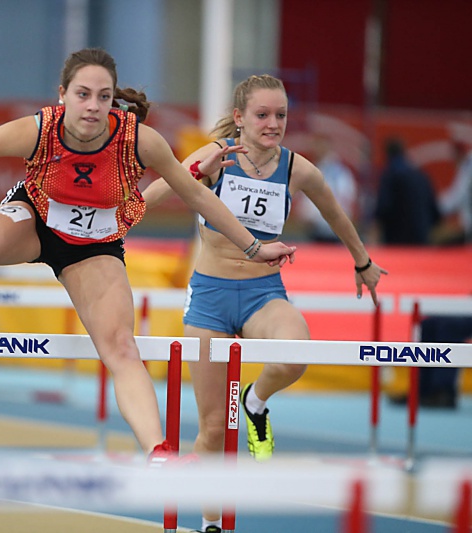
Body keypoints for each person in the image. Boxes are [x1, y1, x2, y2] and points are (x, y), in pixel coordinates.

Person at [0, 48, 296, 462]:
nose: (92, 106)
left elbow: (198, 196)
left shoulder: (138, 140)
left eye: (103, 96)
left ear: (113, 100)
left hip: (93, 248)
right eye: (82, 94)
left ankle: (158, 453)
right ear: (62, 94)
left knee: (121, 348)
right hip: (35, 221)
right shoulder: (37, 131)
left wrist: (253, 246)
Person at [141, 74, 385, 533]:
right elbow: (151, 197)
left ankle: (255, 400)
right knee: (214, 427)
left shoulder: (296, 169)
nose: (273, 124)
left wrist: (362, 261)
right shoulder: (215, 157)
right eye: (262, 115)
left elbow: (334, 211)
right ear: (239, 117)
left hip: (263, 294)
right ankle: (211, 522)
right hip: (210, 297)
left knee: (296, 353)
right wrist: (195, 171)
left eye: (281, 115)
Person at [372, 137, 441, 245]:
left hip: (397, 241)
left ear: (386, 154)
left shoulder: (390, 175)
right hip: (422, 237)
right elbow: (434, 209)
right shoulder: (421, 175)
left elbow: (383, 207)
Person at [297, 132, 357, 242]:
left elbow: (345, 197)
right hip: (314, 228)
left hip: (332, 228)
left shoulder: (339, 172)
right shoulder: (313, 168)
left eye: (320, 145)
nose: (317, 149)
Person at [439, 140, 472, 244]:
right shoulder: (466, 167)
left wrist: (436, 207)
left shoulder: (468, 168)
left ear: (459, 154)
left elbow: (458, 196)